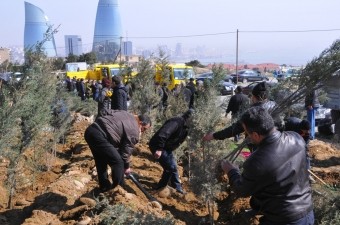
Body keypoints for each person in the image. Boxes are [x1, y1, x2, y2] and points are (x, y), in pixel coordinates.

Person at [221, 106, 314, 225]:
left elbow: (242, 191)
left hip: (283, 219)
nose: (247, 136)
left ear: (255, 134)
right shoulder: (296, 138)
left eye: (247, 132)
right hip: (307, 212)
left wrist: (231, 171)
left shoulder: (257, 161)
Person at [84, 109, 151, 192]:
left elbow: (104, 111)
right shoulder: (134, 131)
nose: (143, 132)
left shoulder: (124, 113)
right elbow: (125, 154)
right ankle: (118, 190)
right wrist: (126, 167)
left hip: (90, 130)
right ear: (140, 123)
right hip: (99, 136)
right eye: (144, 129)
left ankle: (104, 188)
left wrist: (104, 123)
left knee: (101, 161)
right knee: (118, 162)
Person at [203, 81, 283, 144]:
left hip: (259, 146)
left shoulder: (254, 112)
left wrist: (214, 136)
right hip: (276, 142)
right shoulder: (274, 105)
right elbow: (280, 125)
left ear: (254, 96)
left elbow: (235, 129)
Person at [148, 109, 194, 194]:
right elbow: (163, 134)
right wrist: (159, 149)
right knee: (169, 168)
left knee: (173, 166)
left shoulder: (186, 126)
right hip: (158, 145)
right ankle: (160, 188)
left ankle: (177, 188)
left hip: (167, 148)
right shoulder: (176, 122)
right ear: (189, 118)